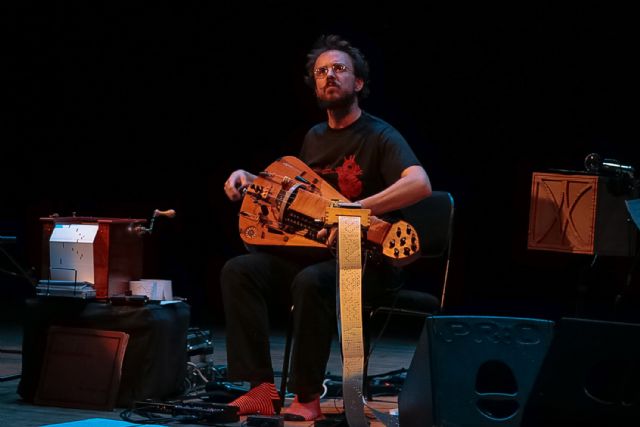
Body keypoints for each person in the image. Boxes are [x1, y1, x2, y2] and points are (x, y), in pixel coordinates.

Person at [220, 34, 432, 421]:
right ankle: (261, 390)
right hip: (317, 255)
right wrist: (248, 178)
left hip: (370, 263)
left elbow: (420, 183)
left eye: (339, 69)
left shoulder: (380, 135)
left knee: (311, 282)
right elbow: (301, 197)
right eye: (321, 72)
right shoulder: (314, 138)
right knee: (240, 270)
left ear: (359, 82)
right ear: (315, 85)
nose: (329, 76)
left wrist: (355, 210)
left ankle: (307, 397)